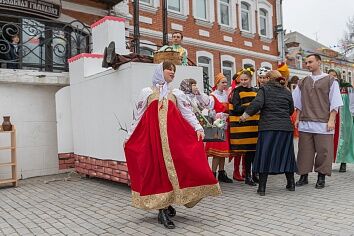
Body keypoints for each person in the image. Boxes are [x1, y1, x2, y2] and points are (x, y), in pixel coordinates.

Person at [124, 62, 221, 229]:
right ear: (160, 72)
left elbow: (187, 113)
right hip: (153, 140)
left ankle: (169, 203)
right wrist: (129, 136)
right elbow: (138, 116)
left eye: (174, 70)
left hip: (174, 139)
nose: (172, 72)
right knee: (157, 172)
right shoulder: (147, 93)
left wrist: (198, 128)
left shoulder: (175, 94)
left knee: (180, 168)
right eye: (169, 69)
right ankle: (162, 209)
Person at [240, 70, 297, 196]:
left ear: (269, 78)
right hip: (285, 128)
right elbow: (290, 110)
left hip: (268, 128)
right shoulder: (287, 92)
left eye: (265, 77)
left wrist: (245, 115)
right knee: (287, 155)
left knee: (264, 155)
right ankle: (291, 184)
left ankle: (262, 188)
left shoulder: (264, 90)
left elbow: (257, 104)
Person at [293, 54, 343, 189]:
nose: (307, 64)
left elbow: (335, 103)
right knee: (304, 151)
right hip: (305, 122)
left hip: (323, 123)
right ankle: (303, 176)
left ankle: (321, 177)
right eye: (306, 62)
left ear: (319, 62)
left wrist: (331, 120)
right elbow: (298, 103)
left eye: (310, 62)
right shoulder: (302, 82)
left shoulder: (331, 80)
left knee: (324, 151)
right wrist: (297, 118)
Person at [229, 68, 259, 186]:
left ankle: (254, 174)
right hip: (245, 127)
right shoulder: (237, 91)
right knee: (248, 152)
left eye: (245, 79)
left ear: (250, 79)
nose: (243, 82)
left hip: (255, 125)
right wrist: (251, 107)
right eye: (241, 80)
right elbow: (236, 108)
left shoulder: (256, 91)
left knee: (255, 152)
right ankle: (247, 176)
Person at [205, 73, 233, 183]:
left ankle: (222, 172)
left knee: (223, 152)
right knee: (217, 153)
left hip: (225, 125)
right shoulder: (212, 96)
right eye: (223, 82)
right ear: (217, 83)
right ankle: (213, 174)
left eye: (226, 82)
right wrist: (219, 115)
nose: (225, 84)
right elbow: (208, 112)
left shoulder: (226, 95)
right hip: (216, 125)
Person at [328, 68, 354, 172]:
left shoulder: (347, 87)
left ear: (338, 76)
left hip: (345, 117)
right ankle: (328, 162)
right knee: (329, 139)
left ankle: (343, 162)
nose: (332, 78)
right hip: (331, 117)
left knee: (345, 138)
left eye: (334, 75)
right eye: (330, 76)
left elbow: (352, 102)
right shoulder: (327, 87)